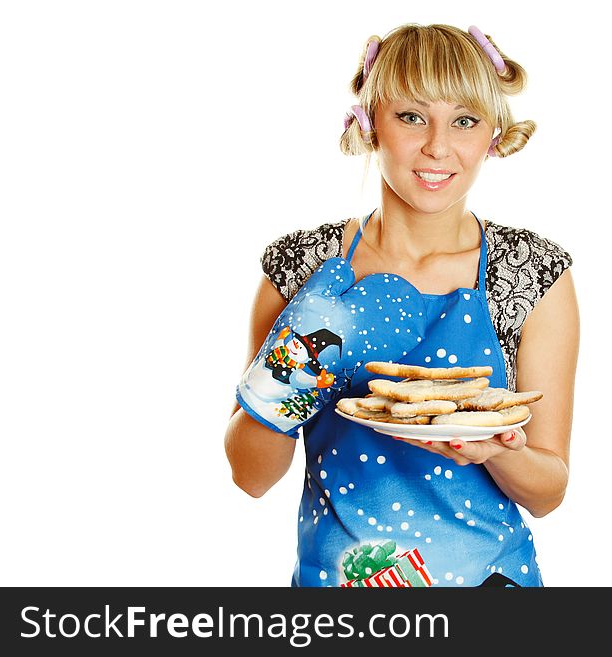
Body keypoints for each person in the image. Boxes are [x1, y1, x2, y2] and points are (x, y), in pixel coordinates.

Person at [225, 23, 579, 588]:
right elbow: (250, 475)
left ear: (491, 134)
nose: (438, 147)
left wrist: (493, 449)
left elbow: (549, 491)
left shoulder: (531, 272)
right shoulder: (302, 266)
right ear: (369, 125)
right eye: (411, 116)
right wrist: (302, 356)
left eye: (464, 120)